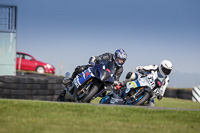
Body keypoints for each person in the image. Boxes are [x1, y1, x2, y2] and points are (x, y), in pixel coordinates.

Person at [58, 48, 127, 101]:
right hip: (97, 70)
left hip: (104, 79)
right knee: (81, 68)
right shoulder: (108, 56)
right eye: (120, 59)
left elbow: (116, 78)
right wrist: (93, 61)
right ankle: (70, 80)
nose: (121, 61)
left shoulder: (120, 69)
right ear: (115, 56)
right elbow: (98, 58)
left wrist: (116, 83)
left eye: (122, 60)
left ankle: (89, 97)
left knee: (104, 93)